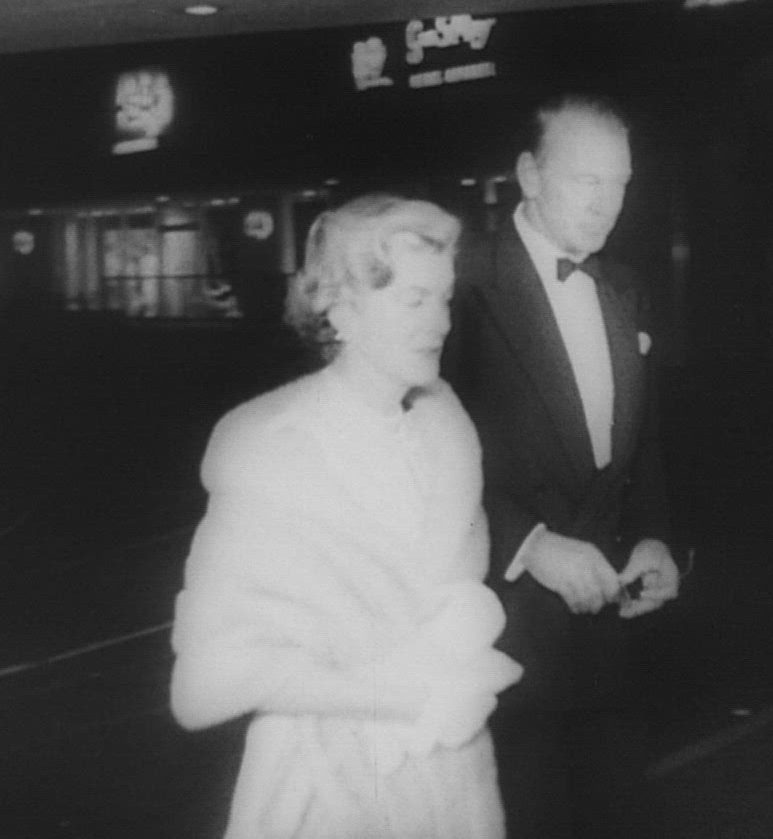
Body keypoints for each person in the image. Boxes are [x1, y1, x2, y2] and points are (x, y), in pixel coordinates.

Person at [169, 194, 524, 839]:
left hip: (450, 779)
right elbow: (204, 685)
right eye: (414, 300)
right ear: (341, 308)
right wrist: (410, 694)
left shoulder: (444, 428)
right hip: (327, 788)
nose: (440, 322)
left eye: (444, 298)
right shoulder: (274, 447)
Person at [442, 95, 682, 839]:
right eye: (587, 180)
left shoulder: (624, 286)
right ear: (529, 175)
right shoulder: (459, 283)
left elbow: (640, 441)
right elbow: (420, 458)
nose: (608, 204)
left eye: (621, 183)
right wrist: (530, 544)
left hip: (608, 630)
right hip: (501, 628)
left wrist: (654, 535)